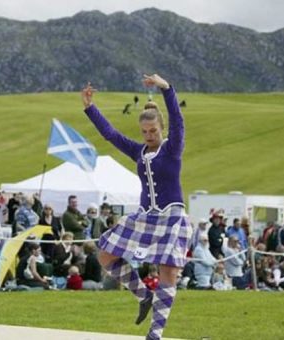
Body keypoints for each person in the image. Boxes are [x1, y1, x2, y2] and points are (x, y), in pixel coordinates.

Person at [82, 74, 191, 340]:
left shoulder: (172, 148)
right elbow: (110, 135)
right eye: (144, 132)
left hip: (171, 217)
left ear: (161, 129)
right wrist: (89, 108)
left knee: (168, 271)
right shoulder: (138, 152)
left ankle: (155, 333)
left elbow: (178, 120)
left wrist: (166, 88)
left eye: (153, 131)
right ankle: (144, 295)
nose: (149, 135)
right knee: (105, 255)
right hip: (145, 217)